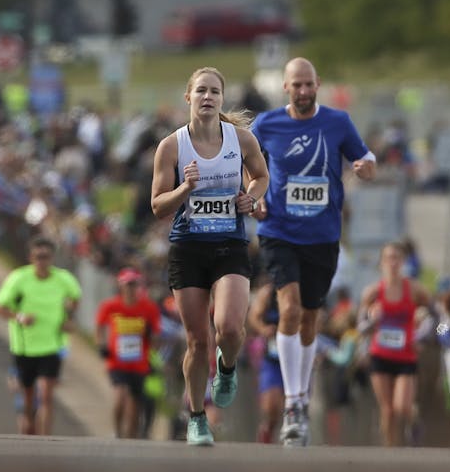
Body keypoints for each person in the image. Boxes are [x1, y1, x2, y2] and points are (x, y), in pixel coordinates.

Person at [250, 57, 376, 447]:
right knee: (288, 309)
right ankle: (292, 403)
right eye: (296, 85)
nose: (303, 91)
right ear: (285, 87)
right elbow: (246, 164)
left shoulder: (337, 122)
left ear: (317, 84)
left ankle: (302, 398)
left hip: (322, 236)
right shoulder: (266, 124)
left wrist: (365, 166)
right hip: (279, 232)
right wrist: (254, 196)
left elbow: (365, 156)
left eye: (309, 85)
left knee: (309, 320)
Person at [150, 66, 269, 447]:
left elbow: (261, 176)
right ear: (189, 97)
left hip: (229, 246)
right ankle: (197, 417)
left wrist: (253, 196)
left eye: (214, 92)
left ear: (221, 99)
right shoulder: (171, 146)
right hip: (188, 250)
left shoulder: (241, 139)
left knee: (231, 328)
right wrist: (185, 187)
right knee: (198, 340)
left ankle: (228, 367)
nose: (207, 97)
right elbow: (157, 205)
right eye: (201, 90)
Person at [0, 236, 82, 436]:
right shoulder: (19, 278)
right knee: (28, 397)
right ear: (31, 257)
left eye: (46, 257)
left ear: (52, 258)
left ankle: (45, 439)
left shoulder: (63, 279)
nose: (42, 261)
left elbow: (75, 298)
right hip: (24, 346)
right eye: (38, 257)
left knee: (47, 394)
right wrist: (19, 317)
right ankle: (28, 429)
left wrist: (69, 318)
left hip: (52, 344)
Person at [359, 240, 434, 446]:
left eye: (397, 258)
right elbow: (360, 328)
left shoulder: (416, 290)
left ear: (403, 262)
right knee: (387, 409)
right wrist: (373, 321)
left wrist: (426, 336)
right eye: (388, 258)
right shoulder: (372, 292)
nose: (393, 263)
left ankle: (414, 419)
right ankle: (390, 453)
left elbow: (443, 321)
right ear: (382, 262)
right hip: (379, 355)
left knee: (402, 407)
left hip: (406, 357)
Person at [94, 266, 163, 439]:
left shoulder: (149, 308)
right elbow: (99, 326)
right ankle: (117, 432)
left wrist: (151, 342)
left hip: (139, 363)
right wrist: (101, 345)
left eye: (134, 285)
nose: (131, 289)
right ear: (121, 286)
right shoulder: (110, 306)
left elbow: (156, 335)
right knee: (120, 396)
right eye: (128, 285)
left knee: (135, 404)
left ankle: (131, 438)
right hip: (117, 361)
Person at [246, 276, 285, 444]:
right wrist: (264, 329)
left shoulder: (303, 290)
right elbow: (253, 317)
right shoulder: (268, 294)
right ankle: (268, 429)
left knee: (288, 404)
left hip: (295, 360)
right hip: (272, 359)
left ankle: (290, 433)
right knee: (271, 405)